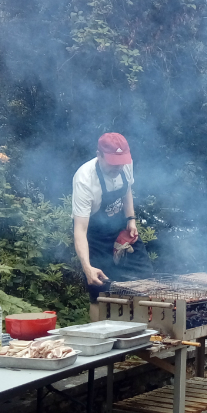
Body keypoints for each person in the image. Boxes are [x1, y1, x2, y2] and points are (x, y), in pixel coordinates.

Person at [72, 133, 155, 318]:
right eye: (112, 162)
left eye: (121, 161)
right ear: (99, 155)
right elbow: (80, 230)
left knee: (146, 278)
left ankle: (141, 334)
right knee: (99, 291)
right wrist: (87, 267)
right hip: (94, 234)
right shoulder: (84, 179)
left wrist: (130, 219)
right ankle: (98, 340)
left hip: (120, 227)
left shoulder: (125, 164)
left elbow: (127, 191)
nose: (117, 167)